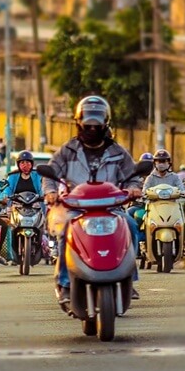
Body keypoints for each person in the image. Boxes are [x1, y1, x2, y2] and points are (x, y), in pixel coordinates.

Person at [42, 96, 143, 303]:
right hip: (76, 209)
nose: (92, 127)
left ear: (106, 122)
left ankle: (129, 279)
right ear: (79, 122)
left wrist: (134, 188)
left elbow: (132, 175)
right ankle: (65, 283)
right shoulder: (68, 150)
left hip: (112, 208)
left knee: (131, 225)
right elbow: (50, 172)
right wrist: (50, 191)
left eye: (97, 122)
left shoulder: (117, 151)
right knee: (64, 233)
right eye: (88, 122)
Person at [4, 150, 44, 259]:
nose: (25, 165)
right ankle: (12, 253)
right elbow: (7, 190)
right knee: (12, 227)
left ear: (32, 164)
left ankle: (43, 248)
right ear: (18, 164)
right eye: (22, 163)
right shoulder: (13, 176)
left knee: (42, 226)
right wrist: (6, 197)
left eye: (28, 163)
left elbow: (42, 189)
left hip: (35, 206)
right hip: (17, 206)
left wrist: (44, 196)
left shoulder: (37, 176)